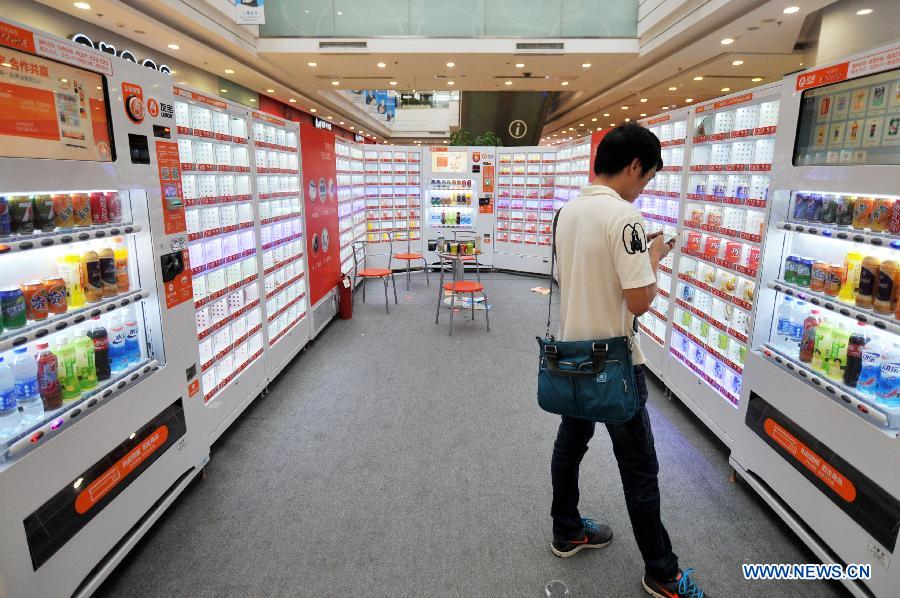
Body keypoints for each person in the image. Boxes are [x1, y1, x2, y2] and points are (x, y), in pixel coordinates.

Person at [550, 123, 708, 598]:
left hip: (571, 356)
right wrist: (654, 256)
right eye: (649, 177)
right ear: (635, 165)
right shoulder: (626, 218)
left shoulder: (567, 211)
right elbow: (639, 301)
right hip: (615, 364)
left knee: (570, 446)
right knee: (639, 468)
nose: (644, 188)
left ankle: (566, 529)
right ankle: (662, 572)